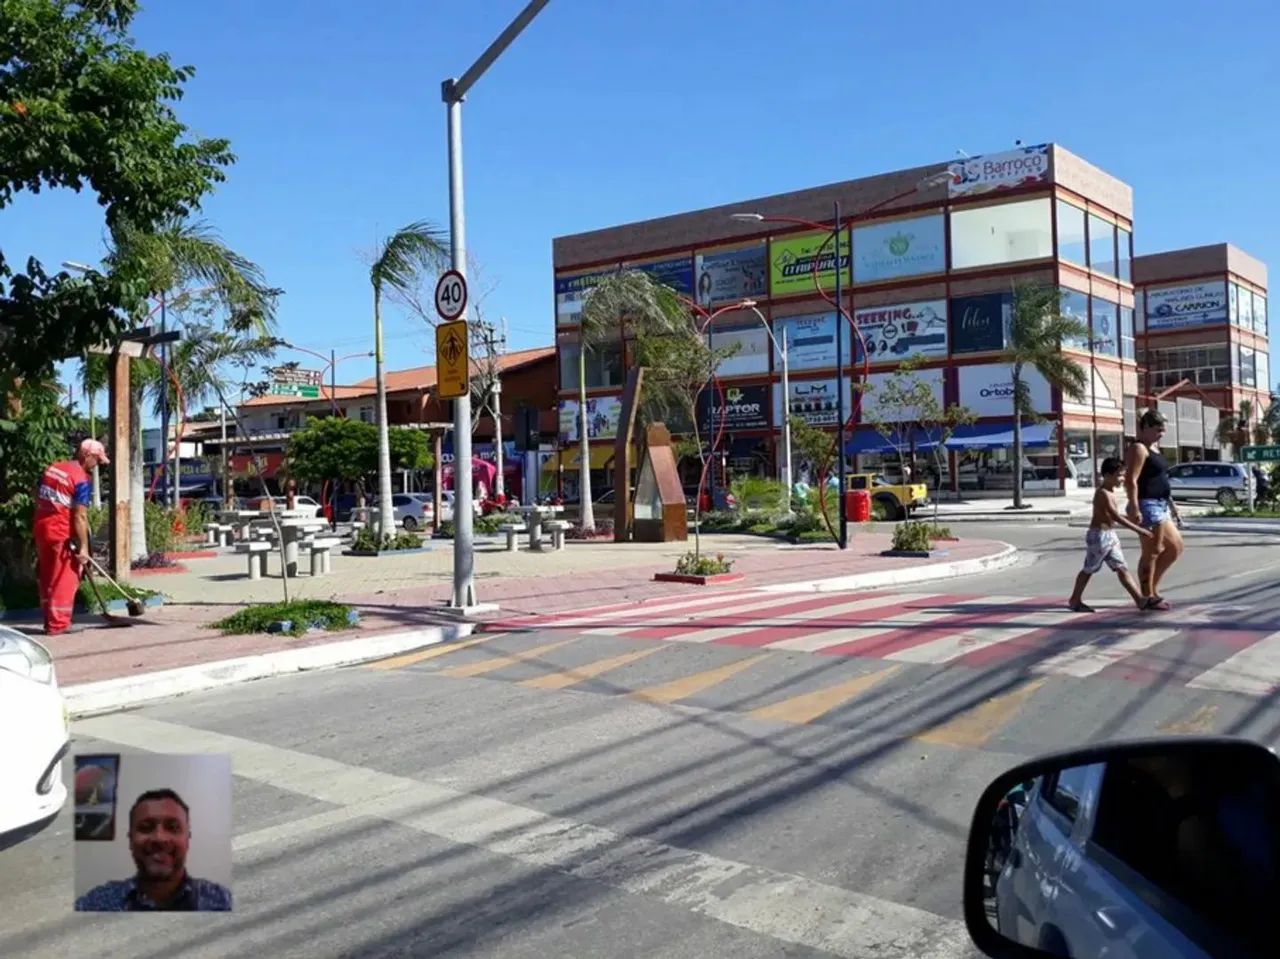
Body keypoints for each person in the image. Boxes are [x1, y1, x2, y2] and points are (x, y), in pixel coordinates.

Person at [75, 789, 232, 912]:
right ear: (130, 839)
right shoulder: (97, 902)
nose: (159, 838)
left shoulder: (221, 900)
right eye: (145, 827)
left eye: (173, 827)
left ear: (187, 839)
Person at [33, 438, 108, 635]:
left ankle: (49, 621)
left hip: (42, 528)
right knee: (66, 576)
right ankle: (58, 625)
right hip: (60, 532)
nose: (97, 465)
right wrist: (84, 547)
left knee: (48, 574)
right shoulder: (80, 479)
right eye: (97, 461)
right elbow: (80, 516)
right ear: (87, 456)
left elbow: (37, 495)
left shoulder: (53, 468)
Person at [1068, 457, 1151, 612]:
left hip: (1110, 535)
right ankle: (1075, 600)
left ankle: (1139, 600)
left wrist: (1135, 519)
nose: (1122, 478)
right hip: (1099, 536)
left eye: (1123, 474)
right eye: (1119, 475)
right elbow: (1115, 517)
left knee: (1121, 567)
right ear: (1107, 475)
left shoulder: (1111, 492)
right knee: (1089, 569)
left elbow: (1115, 517)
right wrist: (1139, 530)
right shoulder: (1103, 493)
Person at [1124, 410, 1183, 610]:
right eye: (1158, 429)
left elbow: (1161, 478)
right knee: (1152, 552)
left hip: (1161, 504)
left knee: (1175, 548)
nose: (1161, 434)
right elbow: (1131, 479)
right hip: (1146, 504)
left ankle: (1151, 589)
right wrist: (1133, 506)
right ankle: (1147, 596)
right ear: (1146, 427)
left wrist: (1172, 505)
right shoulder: (1138, 448)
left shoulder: (1154, 447)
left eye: (1163, 430)